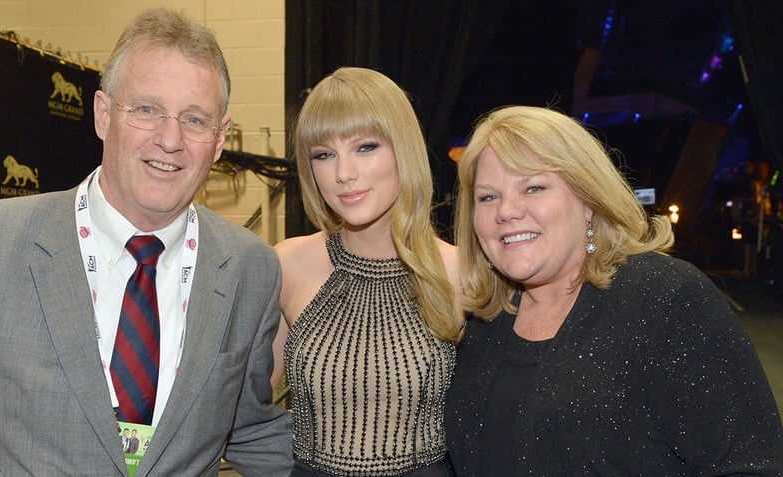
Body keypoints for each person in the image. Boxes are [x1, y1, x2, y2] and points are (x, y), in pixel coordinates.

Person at [0, 7, 292, 476]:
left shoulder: (250, 270)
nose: (170, 140)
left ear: (220, 138)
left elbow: (245, 425)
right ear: (103, 115)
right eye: (147, 109)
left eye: (194, 119)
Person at [445, 105, 783, 475]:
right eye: (488, 196)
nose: (507, 211)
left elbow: (751, 465)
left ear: (588, 201)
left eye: (534, 187)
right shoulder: (484, 318)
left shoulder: (666, 299)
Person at [273, 67, 463, 476]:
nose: (344, 173)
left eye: (365, 147)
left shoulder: (462, 274)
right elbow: (237, 408)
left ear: (404, 149)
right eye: (324, 154)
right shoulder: (288, 265)